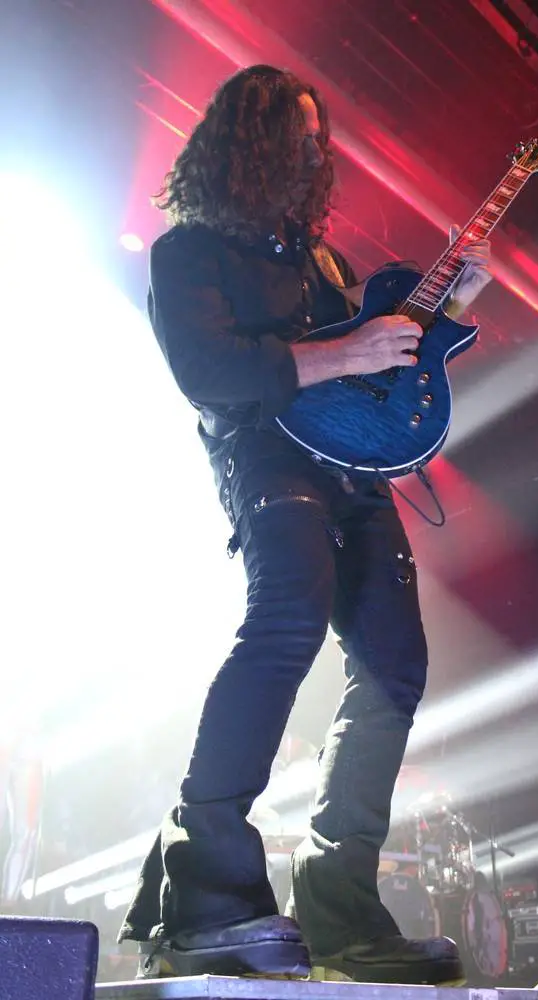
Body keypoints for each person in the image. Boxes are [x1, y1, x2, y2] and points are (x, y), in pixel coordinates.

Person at [117, 64, 491, 984]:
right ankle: (207, 888)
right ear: (248, 141)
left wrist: (447, 310)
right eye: (299, 133)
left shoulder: (320, 264)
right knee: (286, 622)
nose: (315, 150)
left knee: (394, 667)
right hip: (264, 457)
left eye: (321, 137)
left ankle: (340, 906)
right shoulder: (189, 250)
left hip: (353, 470)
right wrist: (343, 352)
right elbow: (209, 372)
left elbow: (376, 364)